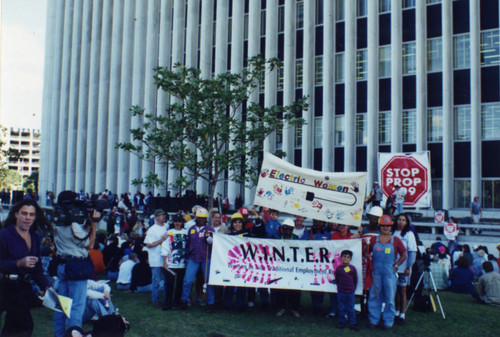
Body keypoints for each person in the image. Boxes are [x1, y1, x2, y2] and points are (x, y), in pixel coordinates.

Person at [0, 199, 51, 337]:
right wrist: (18, 263)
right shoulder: (4, 235)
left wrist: (48, 287)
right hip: (5, 285)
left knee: (18, 326)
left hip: (23, 287)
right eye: (24, 213)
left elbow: (37, 268)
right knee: (22, 325)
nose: (28, 218)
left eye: (31, 214)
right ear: (16, 214)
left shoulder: (35, 237)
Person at [53, 191, 101, 337]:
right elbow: (90, 245)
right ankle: (74, 334)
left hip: (63, 264)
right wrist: (93, 225)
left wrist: (86, 224)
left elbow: (79, 235)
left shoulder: (58, 222)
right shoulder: (73, 225)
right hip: (76, 266)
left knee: (62, 305)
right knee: (77, 306)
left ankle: (60, 334)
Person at [367, 215, 407, 330]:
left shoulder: (396, 240)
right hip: (376, 274)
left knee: (390, 297)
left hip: (389, 274)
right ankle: (373, 320)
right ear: (380, 227)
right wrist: (368, 257)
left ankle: (388, 322)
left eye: (388, 226)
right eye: (383, 226)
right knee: (374, 296)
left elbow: (404, 254)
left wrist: (397, 265)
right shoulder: (374, 240)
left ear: (391, 227)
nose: (385, 228)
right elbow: (367, 252)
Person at [178, 208, 216, 313]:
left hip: (206, 258)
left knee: (208, 281)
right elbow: (188, 243)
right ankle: (184, 301)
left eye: (203, 218)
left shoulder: (210, 229)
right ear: (196, 218)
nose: (201, 220)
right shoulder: (192, 229)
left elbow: (215, 244)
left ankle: (211, 303)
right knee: (187, 280)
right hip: (193, 258)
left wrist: (210, 240)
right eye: (200, 218)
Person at [393, 213, 417, 325]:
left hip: (403, 268)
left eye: (403, 220)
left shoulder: (409, 234)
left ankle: (402, 314)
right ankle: (396, 312)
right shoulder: (392, 232)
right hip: (393, 267)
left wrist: (409, 267)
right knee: (394, 291)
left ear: (406, 222)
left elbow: (412, 251)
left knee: (402, 291)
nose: (400, 222)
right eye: (399, 219)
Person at [223, 213, 250, 311]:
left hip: (244, 263)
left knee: (241, 284)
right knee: (230, 283)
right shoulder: (229, 236)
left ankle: (240, 304)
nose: (237, 224)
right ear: (232, 224)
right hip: (232, 263)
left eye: (239, 222)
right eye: (235, 223)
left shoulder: (247, 234)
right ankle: (227, 304)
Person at [274, 219, 301, 318]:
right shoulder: (277, 238)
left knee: (295, 289)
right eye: (285, 229)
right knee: (281, 288)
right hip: (281, 267)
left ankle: (295, 308)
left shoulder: (297, 239)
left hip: (293, 267)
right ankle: (281, 307)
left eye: (290, 229)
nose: (287, 231)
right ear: (282, 229)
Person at [161, 214, 188, 310]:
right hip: (171, 263)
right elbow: (165, 247)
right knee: (169, 284)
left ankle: (177, 302)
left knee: (180, 284)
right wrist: (164, 262)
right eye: (176, 221)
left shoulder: (186, 233)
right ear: (173, 222)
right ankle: (167, 303)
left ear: (182, 223)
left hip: (182, 264)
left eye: (179, 221)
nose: (177, 223)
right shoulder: (169, 233)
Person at [144, 209, 169, 308]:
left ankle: (166, 300)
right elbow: (149, 245)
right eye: (160, 215)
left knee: (167, 280)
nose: (162, 217)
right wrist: (161, 240)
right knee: (156, 281)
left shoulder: (166, 227)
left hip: (165, 258)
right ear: (156, 217)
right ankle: (155, 300)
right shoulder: (152, 229)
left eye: (163, 215)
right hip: (155, 259)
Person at [335, 250, 359, 331]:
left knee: (351, 308)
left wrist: (353, 289)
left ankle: (353, 323)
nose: (345, 259)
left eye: (348, 257)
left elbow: (355, 279)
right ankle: (341, 321)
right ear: (341, 258)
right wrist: (339, 288)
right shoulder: (338, 269)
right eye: (344, 257)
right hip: (341, 292)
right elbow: (337, 279)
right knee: (341, 307)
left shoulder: (352, 268)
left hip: (350, 292)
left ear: (350, 259)